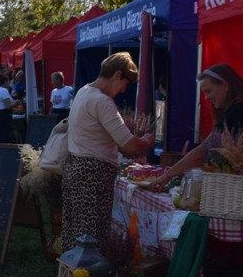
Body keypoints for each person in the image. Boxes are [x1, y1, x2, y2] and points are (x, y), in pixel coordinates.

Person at [61, 52, 155, 253]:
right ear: (116, 75)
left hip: (76, 169)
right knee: (90, 237)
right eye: (125, 84)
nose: (123, 90)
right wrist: (146, 141)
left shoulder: (83, 92)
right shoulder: (102, 101)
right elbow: (128, 145)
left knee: (74, 233)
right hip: (92, 175)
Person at [150, 64, 243, 192]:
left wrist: (167, 175)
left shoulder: (236, 112)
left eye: (209, 91)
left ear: (226, 86)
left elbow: (203, 151)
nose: (207, 98)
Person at [0, 72, 15, 144]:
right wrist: (15, 103)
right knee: (4, 136)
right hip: (3, 115)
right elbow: (8, 106)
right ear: (5, 81)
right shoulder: (4, 91)